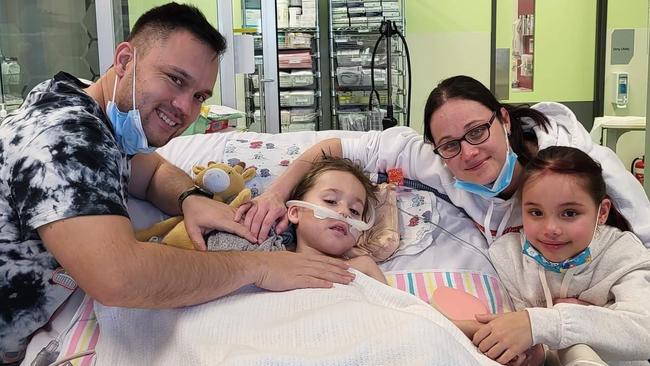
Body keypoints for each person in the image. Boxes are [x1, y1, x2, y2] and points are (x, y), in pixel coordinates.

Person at [0, 3, 353, 364]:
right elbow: (118, 278)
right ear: (124, 61)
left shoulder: (89, 110)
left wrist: (191, 197)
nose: (185, 108)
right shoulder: (64, 134)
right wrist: (258, 266)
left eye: (199, 96)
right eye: (175, 79)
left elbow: (151, 172)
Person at [238, 74, 650, 248]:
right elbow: (333, 147)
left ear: (503, 120)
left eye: (477, 132)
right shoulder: (431, 161)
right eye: (450, 144)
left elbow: (641, 241)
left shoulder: (571, 163)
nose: (467, 153)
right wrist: (276, 193)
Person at [473, 146, 650, 365]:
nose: (551, 228)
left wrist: (543, 322)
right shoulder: (508, 256)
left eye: (569, 213)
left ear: (602, 212)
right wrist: (534, 353)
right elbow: (516, 331)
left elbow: (644, 331)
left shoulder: (623, 253)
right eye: (536, 213)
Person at [207, 156, 386, 284]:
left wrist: (365, 266)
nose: (344, 212)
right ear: (294, 212)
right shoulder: (262, 249)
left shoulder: (362, 269)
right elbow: (216, 262)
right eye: (330, 201)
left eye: (355, 211)